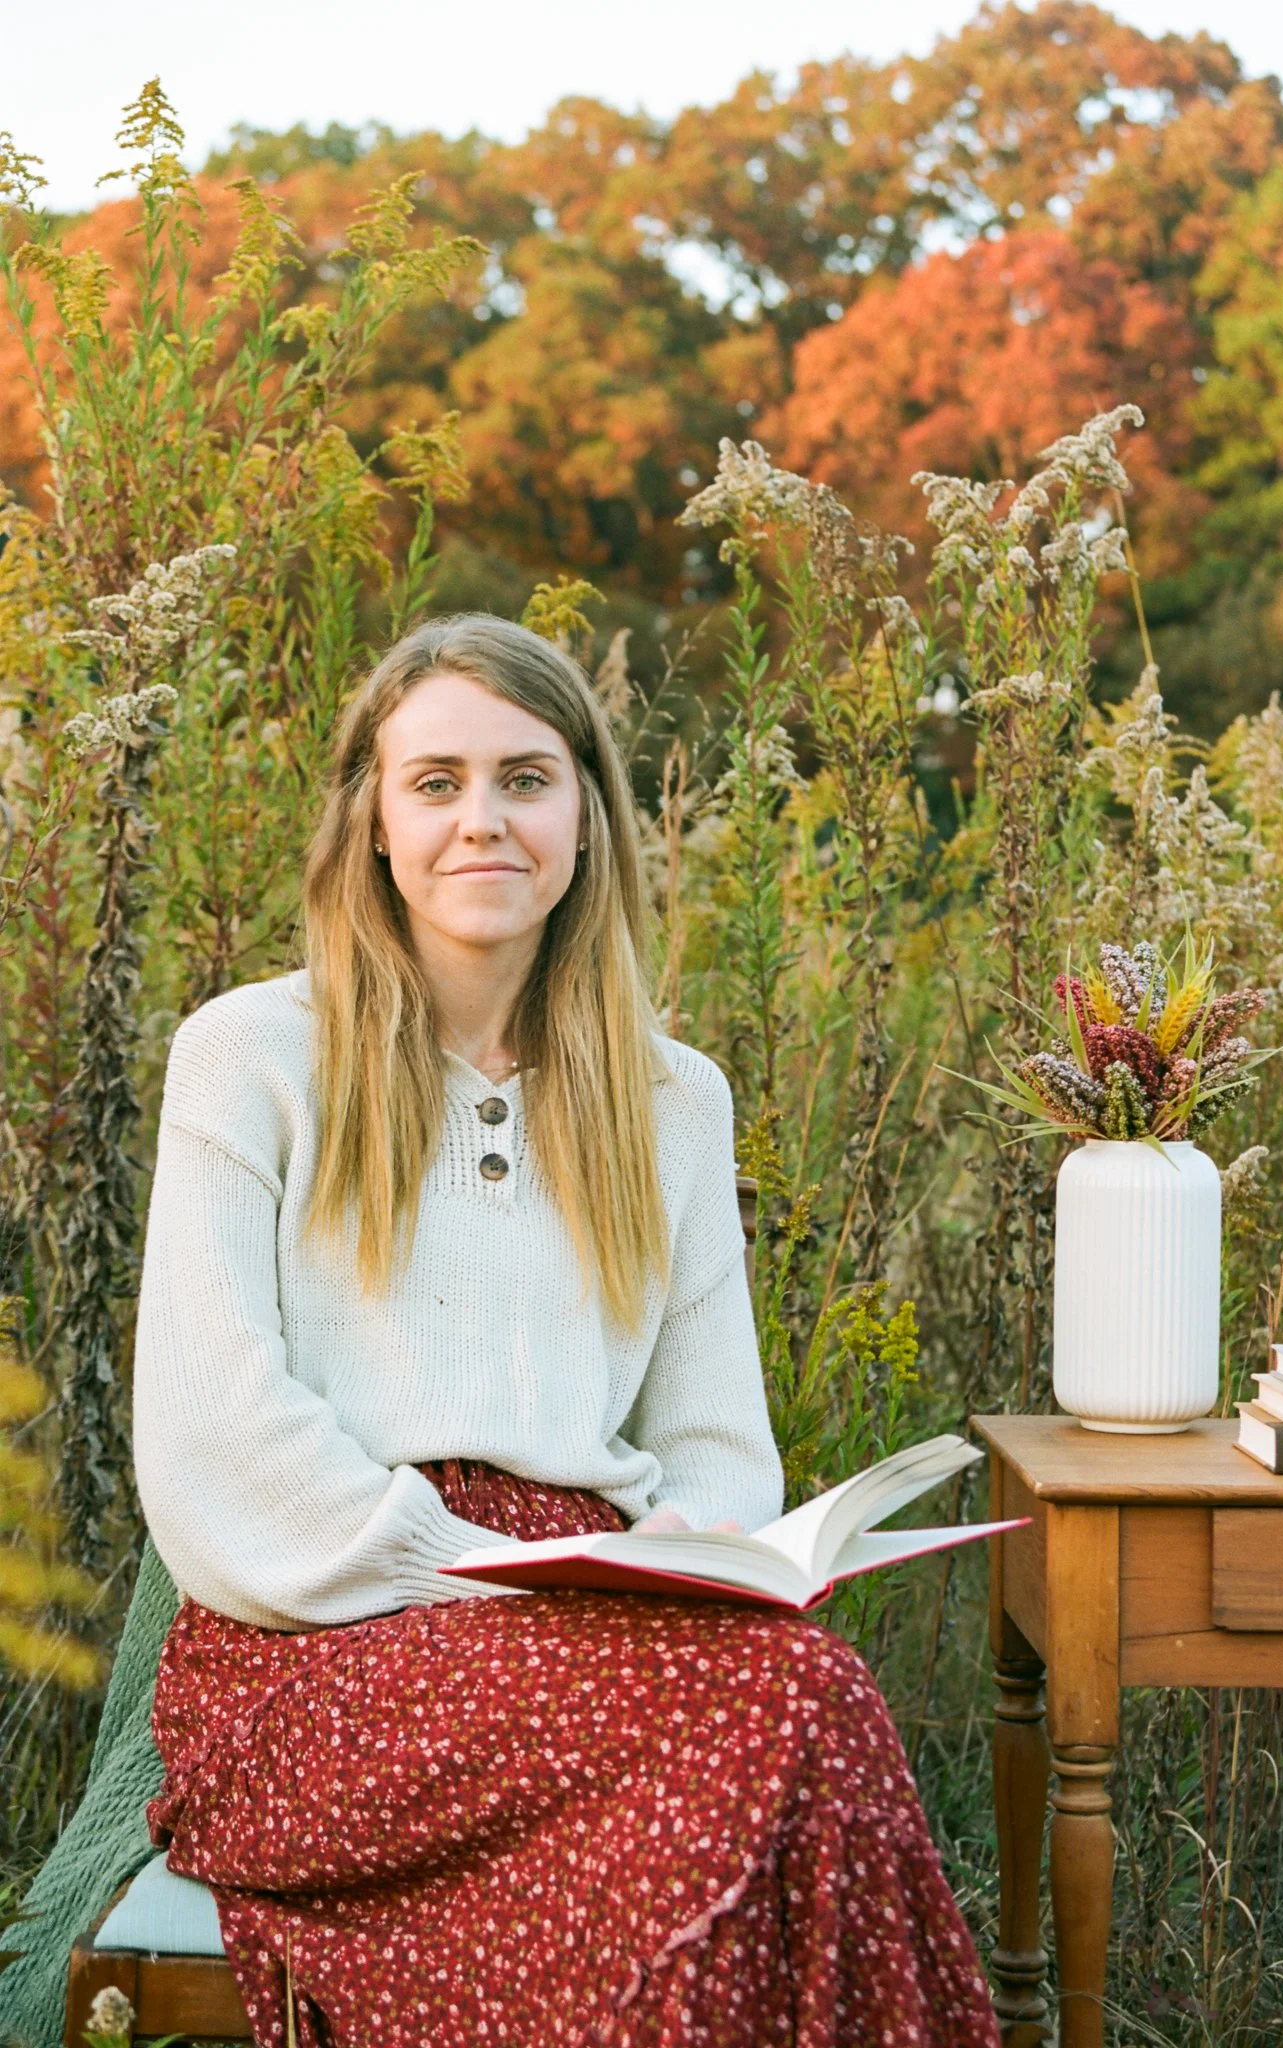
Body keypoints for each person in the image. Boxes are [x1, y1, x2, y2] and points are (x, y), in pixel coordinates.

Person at [133, 614, 1000, 2048]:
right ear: (372, 825)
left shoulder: (670, 1098)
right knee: (784, 1718)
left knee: (801, 1696)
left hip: (603, 1614)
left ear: (587, 816)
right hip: (314, 1637)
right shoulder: (253, 1057)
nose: (484, 820)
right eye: (437, 783)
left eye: (526, 779)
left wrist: (679, 1569)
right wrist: (492, 1575)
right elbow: (216, 1443)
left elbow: (715, 1449)